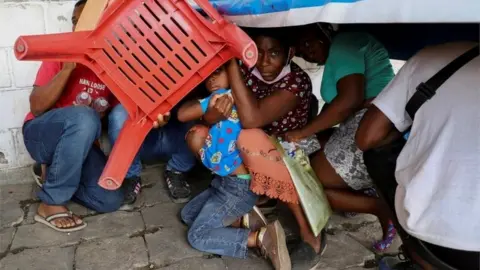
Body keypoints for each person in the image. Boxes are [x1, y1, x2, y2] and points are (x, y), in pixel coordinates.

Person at [199, 28, 322, 268]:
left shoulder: (296, 81)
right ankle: (248, 201)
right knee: (201, 134)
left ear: (290, 53)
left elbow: (251, 119)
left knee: (250, 137)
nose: (264, 62)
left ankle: (311, 234)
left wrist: (232, 62)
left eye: (274, 53)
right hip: (253, 141)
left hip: (289, 144)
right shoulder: (249, 69)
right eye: (258, 53)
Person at [356, 42, 480, 269]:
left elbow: (367, 138)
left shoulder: (431, 56)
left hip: (432, 234)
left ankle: (414, 253)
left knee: (377, 158)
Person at [289, 23, 397, 251]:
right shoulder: (340, 54)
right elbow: (336, 106)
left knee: (310, 180)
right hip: (369, 119)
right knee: (305, 152)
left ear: (323, 30)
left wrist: (301, 133)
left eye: (308, 42)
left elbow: (349, 100)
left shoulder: (344, 43)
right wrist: (310, 134)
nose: (306, 51)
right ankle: (358, 191)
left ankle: (379, 207)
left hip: (374, 123)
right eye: (300, 50)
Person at [23, 0, 123, 232]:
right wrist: (68, 69)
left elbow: (115, 118)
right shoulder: (60, 55)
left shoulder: (113, 67)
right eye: (76, 23)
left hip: (81, 146)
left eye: (88, 23)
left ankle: (50, 172)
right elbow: (37, 108)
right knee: (84, 116)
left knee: (109, 200)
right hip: (40, 135)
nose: (80, 29)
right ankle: (51, 202)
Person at [177, 65, 291, 270]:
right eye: (207, 76)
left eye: (217, 72)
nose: (211, 79)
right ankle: (243, 219)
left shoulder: (223, 98)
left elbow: (182, 114)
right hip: (222, 183)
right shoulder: (233, 100)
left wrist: (205, 105)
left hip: (236, 188)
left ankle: (260, 238)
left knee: (197, 235)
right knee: (187, 214)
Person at [108, 101, 196, 205]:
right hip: (140, 142)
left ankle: (177, 170)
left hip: (174, 138)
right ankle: (130, 175)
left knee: (194, 108)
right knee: (119, 113)